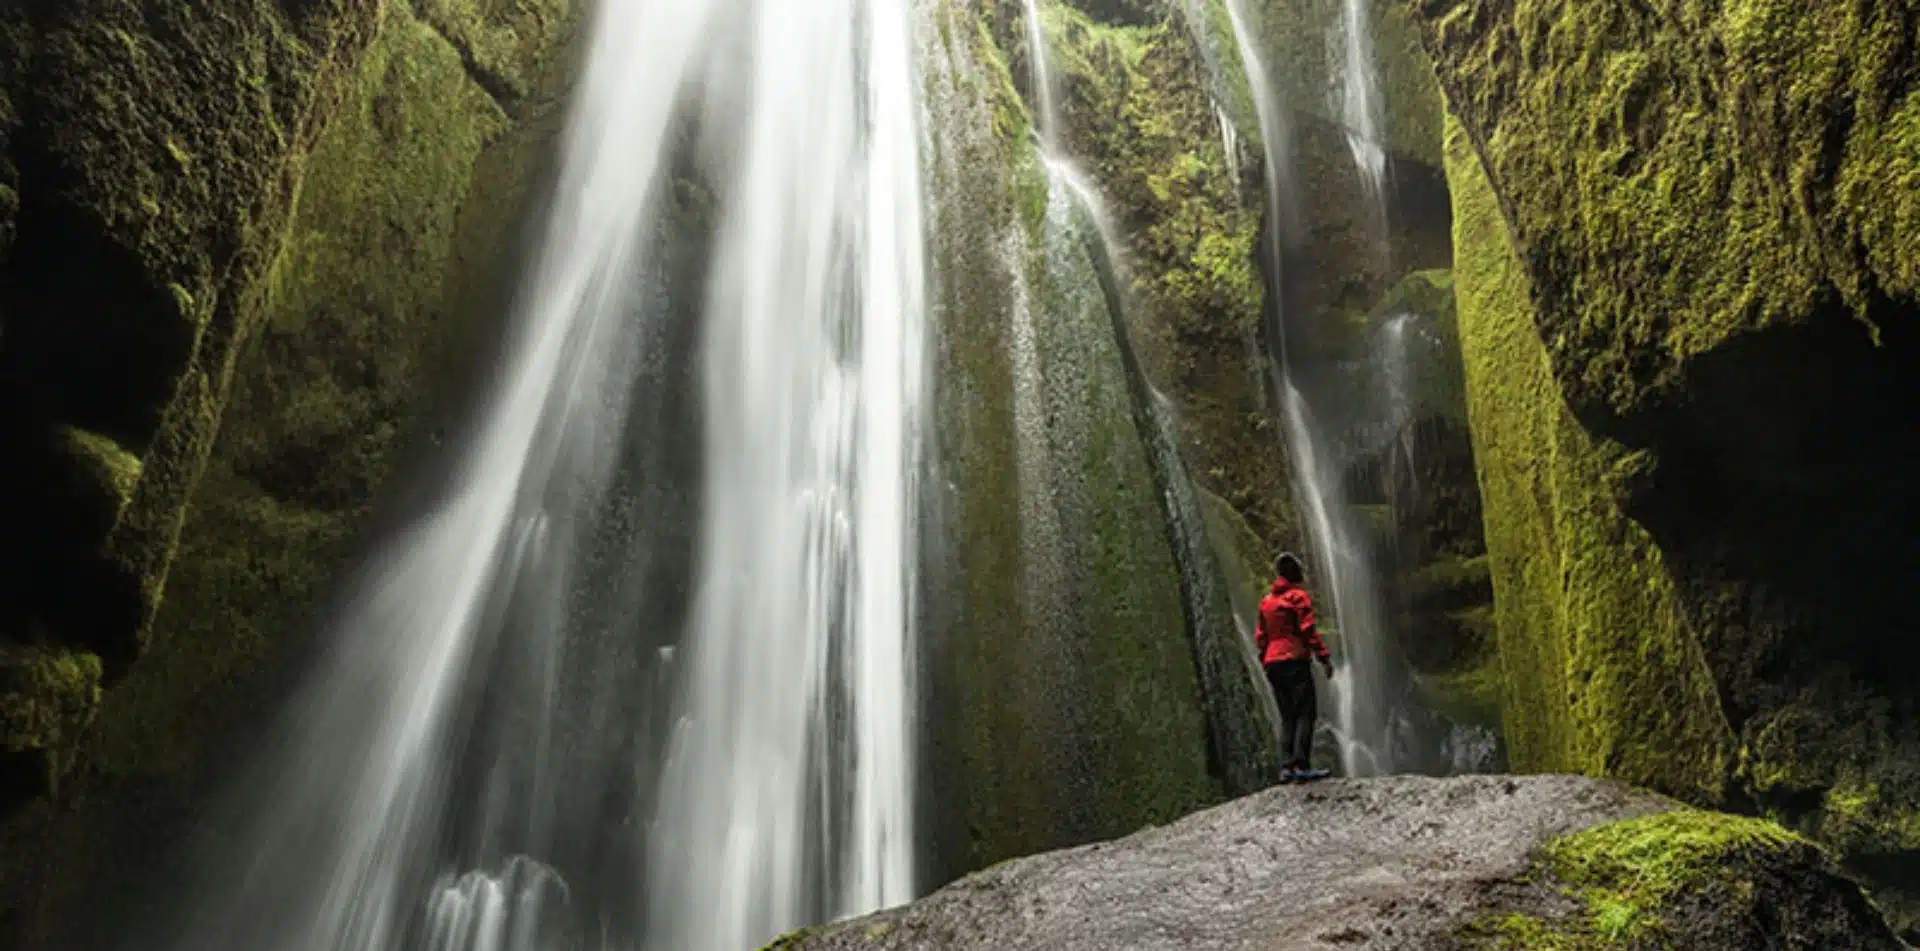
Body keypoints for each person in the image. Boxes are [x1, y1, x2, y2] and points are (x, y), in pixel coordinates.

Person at [1256, 551, 1334, 783]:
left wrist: (1265, 660)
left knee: (1287, 716)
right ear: (1295, 573)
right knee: (1305, 713)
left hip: (1273, 663)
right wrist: (1324, 658)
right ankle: (1301, 765)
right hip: (1294, 659)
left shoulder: (1266, 602)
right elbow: (1307, 630)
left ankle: (1286, 767)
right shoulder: (1298, 597)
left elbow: (1261, 637)